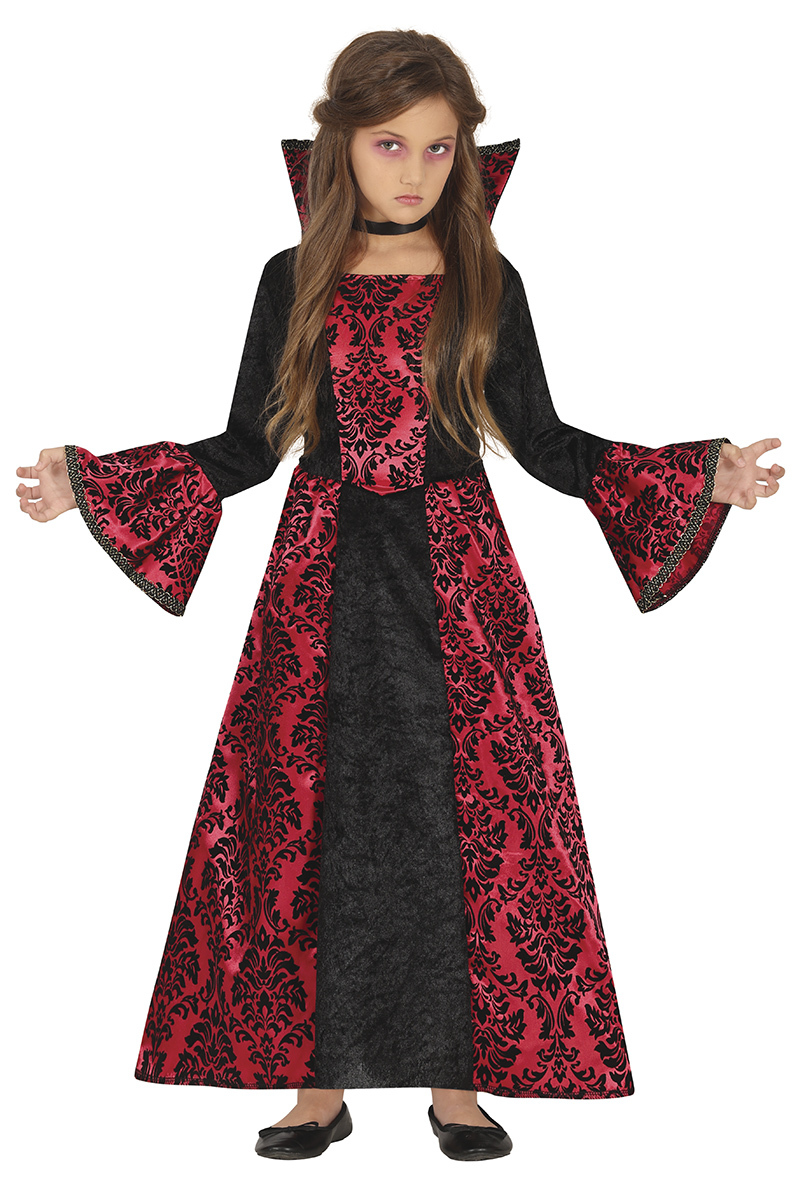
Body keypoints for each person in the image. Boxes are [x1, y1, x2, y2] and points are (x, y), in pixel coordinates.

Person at [16, 29, 784, 1164]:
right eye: (390, 143)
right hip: (318, 577)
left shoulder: (486, 279)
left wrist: (695, 474)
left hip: (459, 581)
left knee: (461, 812)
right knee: (308, 811)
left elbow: (544, 442)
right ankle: (317, 1085)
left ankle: (455, 1082)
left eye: (438, 145)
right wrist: (96, 484)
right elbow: (247, 444)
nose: (416, 169)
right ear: (340, 144)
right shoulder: (293, 278)